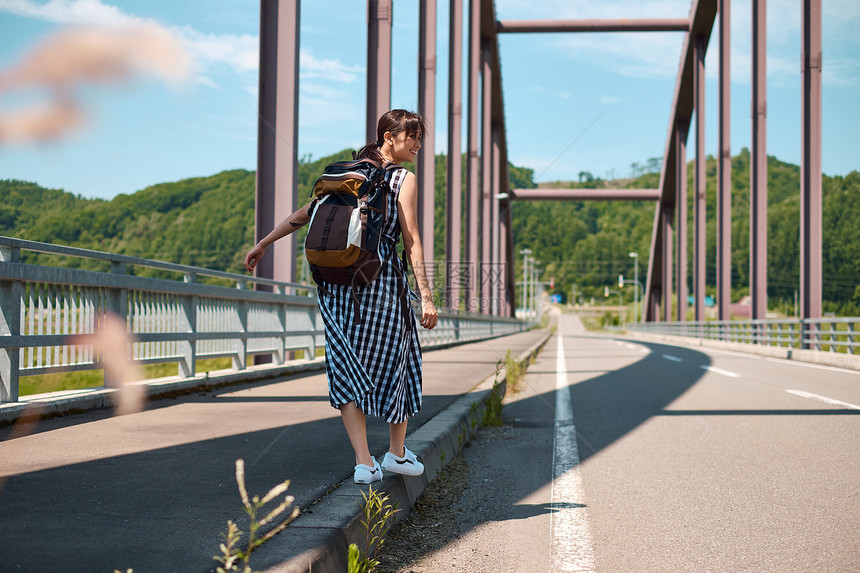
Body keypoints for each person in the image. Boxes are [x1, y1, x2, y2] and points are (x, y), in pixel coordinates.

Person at [244, 109, 438, 484]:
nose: (417, 143)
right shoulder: (401, 178)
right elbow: (411, 241)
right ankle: (395, 454)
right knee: (402, 359)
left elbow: (306, 213)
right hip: (378, 280)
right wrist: (426, 297)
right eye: (411, 136)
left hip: (333, 284)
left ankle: (364, 462)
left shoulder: (344, 174)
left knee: (344, 363)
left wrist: (264, 242)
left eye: (419, 137)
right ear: (388, 136)